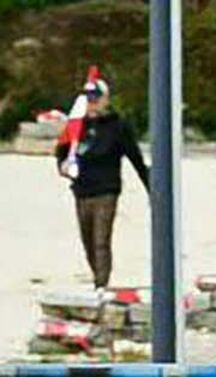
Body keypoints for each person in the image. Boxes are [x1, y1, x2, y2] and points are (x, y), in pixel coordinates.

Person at [57, 77, 149, 291]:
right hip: (81, 190)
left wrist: (151, 188)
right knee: (87, 240)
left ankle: (101, 283)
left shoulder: (118, 126)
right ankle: (96, 276)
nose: (92, 103)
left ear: (105, 100)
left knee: (101, 240)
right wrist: (62, 167)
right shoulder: (75, 125)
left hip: (107, 190)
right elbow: (61, 152)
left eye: (96, 99)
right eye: (88, 99)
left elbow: (135, 158)